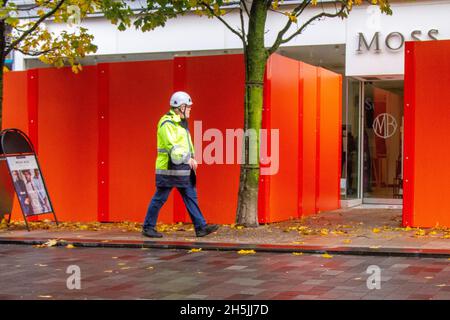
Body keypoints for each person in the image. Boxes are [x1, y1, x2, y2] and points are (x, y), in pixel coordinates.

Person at [142, 91, 219, 238]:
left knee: (190, 195)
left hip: (182, 167)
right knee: (160, 197)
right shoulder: (167, 123)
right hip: (169, 168)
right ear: (181, 107)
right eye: (188, 107)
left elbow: (185, 145)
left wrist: (192, 158)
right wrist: (188, 159)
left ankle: (201, 227)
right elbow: (172, 147)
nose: (190, 109)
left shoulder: (180, 123)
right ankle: (148, 227)